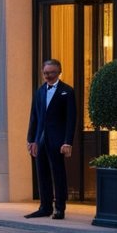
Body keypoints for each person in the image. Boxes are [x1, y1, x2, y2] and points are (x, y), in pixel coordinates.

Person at [25, 57, 76, 220]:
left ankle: (60, 208)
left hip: (58, 140)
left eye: (52, 73)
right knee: (42, 173)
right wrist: (31, 139)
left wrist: (68, 141)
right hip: (40, 139)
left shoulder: (67, 91)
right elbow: (34, 117)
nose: (48, 76)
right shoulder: (39, 91)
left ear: (59, 72)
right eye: (46, 73)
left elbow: (71, 119)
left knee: (58, 173)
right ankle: (44, 207)